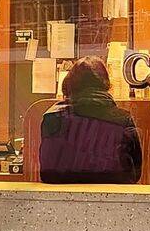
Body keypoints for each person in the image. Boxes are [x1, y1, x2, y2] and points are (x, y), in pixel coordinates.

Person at [38, 57, 143, 185]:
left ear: (68, 84)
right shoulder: (122, 120)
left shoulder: (53, 118)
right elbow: (135, 173)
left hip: (58, 196)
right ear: (106, 85)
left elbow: (47, 173)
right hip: (114, 195)